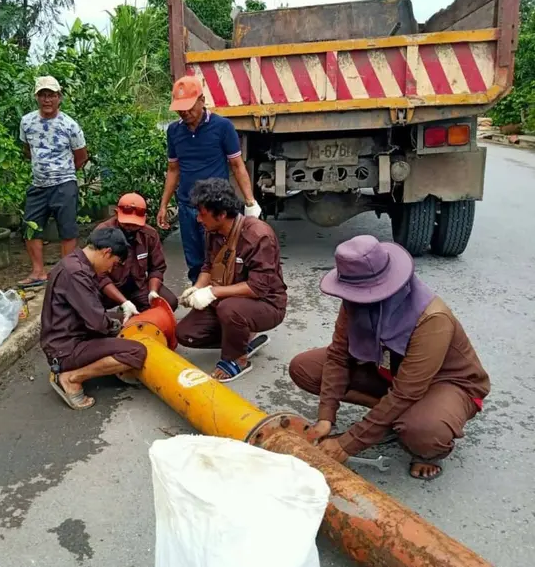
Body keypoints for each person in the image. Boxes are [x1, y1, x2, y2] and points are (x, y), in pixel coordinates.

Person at [288, 235, 490, 480]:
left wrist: (347, 444)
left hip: (445, 383)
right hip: (391, 373)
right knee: (305, 368)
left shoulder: (432, 319)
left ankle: (424, 447)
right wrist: (326, 417)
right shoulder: (354, 302)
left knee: (424, 431)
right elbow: (338, 356)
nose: (353, 301)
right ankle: (391, 417)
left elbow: (407, 391)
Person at [175, 179, 287, 382]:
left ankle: (237, 357)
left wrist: (212, 292)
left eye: (203, 214)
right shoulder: (213, 231)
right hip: (227, 300)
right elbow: (208, 266)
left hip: (267, 303)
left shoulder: (258, 236)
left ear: (222, 214)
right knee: (186, 333)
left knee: (229, 309)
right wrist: (197, 288)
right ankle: (241, 337)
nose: (199, 219)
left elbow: (257, 287)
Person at [157, 75, 262, 284]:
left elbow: (237, 164)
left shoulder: (223, 127)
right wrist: (163, 205)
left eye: (189, 106)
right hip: (187, 206)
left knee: (221, 256)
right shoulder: (174, 131)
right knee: (195, 261)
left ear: (202, 100)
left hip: (215, 209)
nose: (184, 112)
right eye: (180, 108)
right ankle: (200, 303)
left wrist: (250, 202)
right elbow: (173, 169)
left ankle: (222, 299)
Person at [41, 227, 147, 410]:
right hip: (65, 348)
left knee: (124, 323)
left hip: (67, 335)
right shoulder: (76, 274)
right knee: (136, 352)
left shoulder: (74, 262)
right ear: (106, 252)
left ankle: (101, 364)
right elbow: (97, 322)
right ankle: (71, 378)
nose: (111, 269)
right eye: (113, 263)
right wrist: (117, 326)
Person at [19, 76, 89, 288]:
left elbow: (81, 155)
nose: (47, 99)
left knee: (67, 230)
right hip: (38, 184)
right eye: (42, 95)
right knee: (30, 228)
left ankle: (64, 275)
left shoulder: (70, 125)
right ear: (36, 97)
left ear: (59, 98)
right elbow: (27, 150)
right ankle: (38, 272)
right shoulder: (27, 122)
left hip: (64, 184)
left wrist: (64, 173)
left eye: (51, 95)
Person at [95, 193, 180, 322]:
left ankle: (138, 311)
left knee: (169, 302)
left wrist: (153, 292)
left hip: (137, 285)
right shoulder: (102, 233)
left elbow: (157, 267)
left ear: (144, 218)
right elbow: (99, 275)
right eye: (126, 223)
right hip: (108, 288)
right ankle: (121, 313)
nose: (130, 228)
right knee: (87, 306)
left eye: (134, 224)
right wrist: (124, 302)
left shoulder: (150, 235)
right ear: (116, 213)